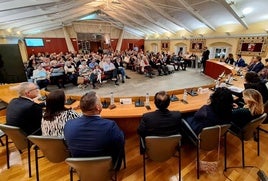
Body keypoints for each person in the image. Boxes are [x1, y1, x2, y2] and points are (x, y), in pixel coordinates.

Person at [64, 91, 125, 170]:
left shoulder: (69, 124)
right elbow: (120, 142)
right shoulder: (110, 126)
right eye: (100, 102)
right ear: (98, 107)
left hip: (80, 167)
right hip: (104, 167)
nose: (102, 104)